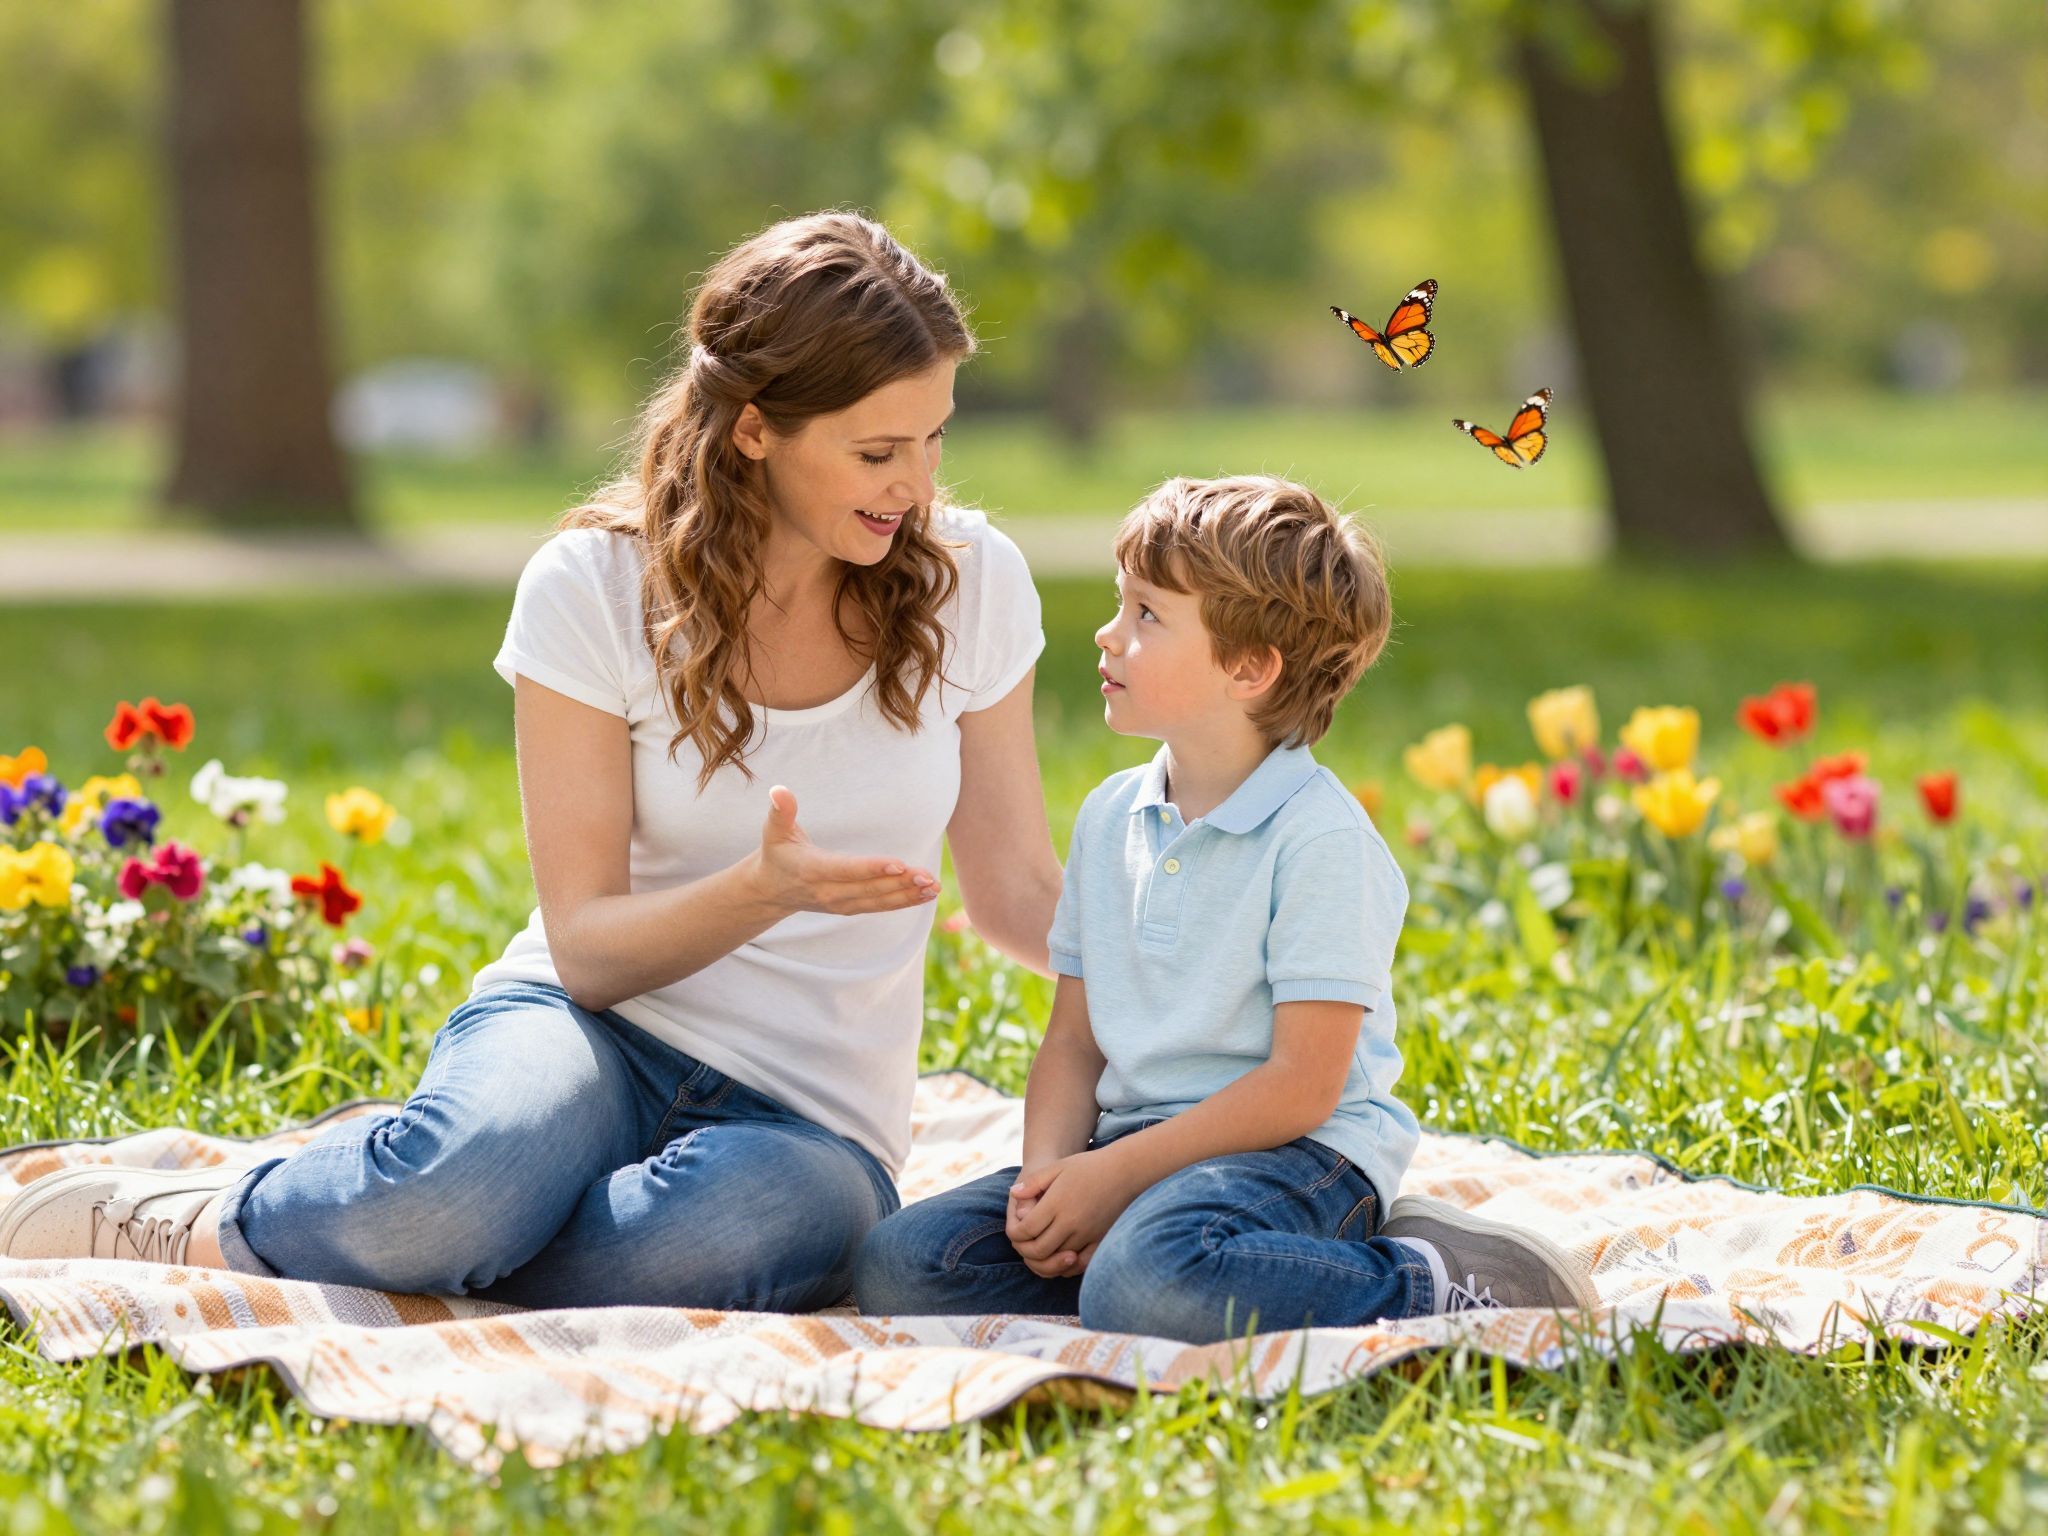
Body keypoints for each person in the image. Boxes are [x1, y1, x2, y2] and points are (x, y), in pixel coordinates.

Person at [0, 212, 1062, 1312]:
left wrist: (1202, 981)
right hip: (586, 1031)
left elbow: (1015, 893)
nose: (917, 487)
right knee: (451, 1193)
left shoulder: (969, 584)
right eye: (877, 452)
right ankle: (221, 1221)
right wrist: (760, 892)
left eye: (934, 439)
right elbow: (590, 951)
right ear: (754, 430)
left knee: (741, 1232)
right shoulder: (593, 588)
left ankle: (421, 1218)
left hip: (808, 1119)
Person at [853, 475, 1598, 1342]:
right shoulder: (1107, 817)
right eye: (1119, 604)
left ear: (1249, 668)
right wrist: (1052, 1181)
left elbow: (1302, 1087)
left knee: (1147, 1283)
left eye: (1147, 615)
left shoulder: (1319, 840)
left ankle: (1434, 1278)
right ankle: (1168, 1274)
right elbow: (1073, 1040)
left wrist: (1119, 1177)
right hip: (1134, 1148)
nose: (1108, 633)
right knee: (903, 1264)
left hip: (1297, 1154)